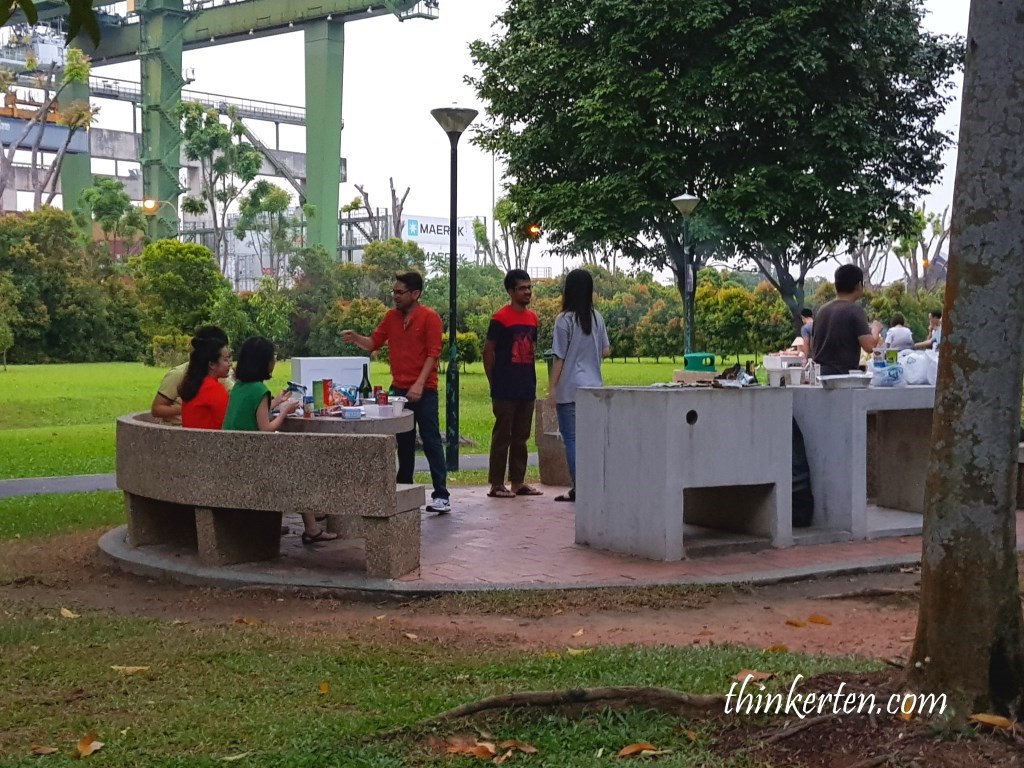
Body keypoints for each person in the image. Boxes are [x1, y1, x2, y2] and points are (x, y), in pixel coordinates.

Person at [341, 272, 451, 514]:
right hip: (399, 389)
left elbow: (433, 354)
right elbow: (373, 343)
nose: (395, 297)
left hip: (425, 389)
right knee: (404, 441)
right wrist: (355, 338)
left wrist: (420, 384)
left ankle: (441, 494)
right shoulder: (391, 317)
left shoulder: (429, 317)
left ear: (415, 294)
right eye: (394, 292)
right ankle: (404, 490)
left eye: (400, 292)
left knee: (431, 439)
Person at [222, 337, 335, 544]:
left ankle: (313, 522)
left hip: (234, 457)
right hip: (250, 462)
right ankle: (312, 526)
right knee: (299, 469)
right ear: (264, 362)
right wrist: (284, 411)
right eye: (273, 358)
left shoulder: (241, 386)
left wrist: (275, 402)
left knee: (294, 465)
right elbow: (266, 429)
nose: (274, 361)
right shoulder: (258, 389)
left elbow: (252, 413)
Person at [548, 269, 610, 503]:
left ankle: (579, 487)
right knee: (590, 441)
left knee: (572, 440)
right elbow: (606, 350)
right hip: (594, 387)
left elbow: (559, 358)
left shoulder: (564, 320)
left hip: (570, 389)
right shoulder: (597, 318)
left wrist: (552, 388)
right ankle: (592, 486)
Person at [483, 269, 542, 498]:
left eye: (529, 288)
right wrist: (493, 381)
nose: (527, 292)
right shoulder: (500, 318)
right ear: (510, 291)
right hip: (505, 386)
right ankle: (496, 483)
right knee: (502, 436)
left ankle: (518, 482)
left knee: (521, 437)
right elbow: (489, 351)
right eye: (522, 288)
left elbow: (533, 349)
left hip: (526, 385)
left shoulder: (533, 318)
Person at [150, 325, 233, 424]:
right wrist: (190, 409)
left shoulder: (223, 375)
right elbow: (157, 408)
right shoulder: (178, 374)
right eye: (225, 358)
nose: (229, 363)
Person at [810, 264, 882, 376]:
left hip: (819, 375)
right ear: (859, 285)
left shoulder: (822, 310)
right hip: (842, 377)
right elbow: (869, 347)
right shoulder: (855, 310)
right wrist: (876, 329)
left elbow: (813, 345)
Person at [179, 335, 233, 430]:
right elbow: (227, 425)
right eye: (225, 360)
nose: (230, 363)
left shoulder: (193, 385)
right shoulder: (214, 389)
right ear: (212, 364)